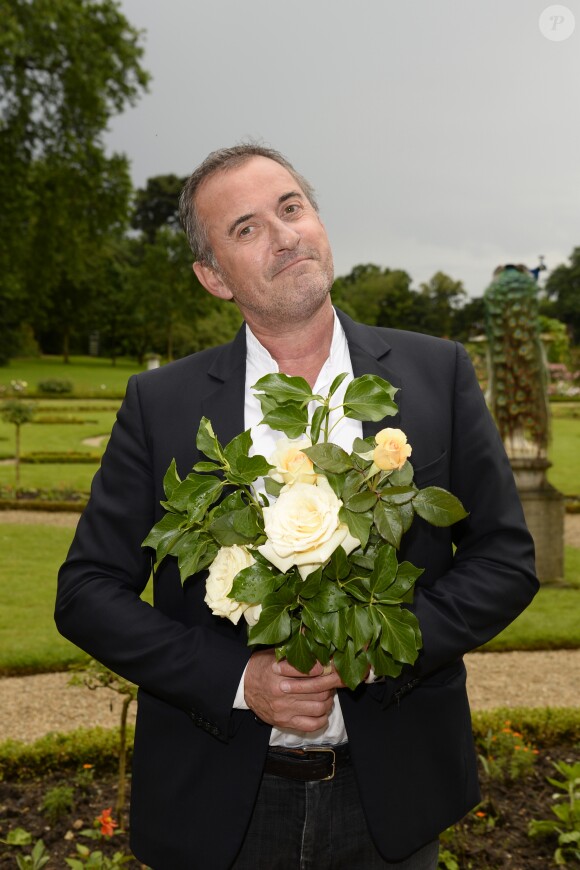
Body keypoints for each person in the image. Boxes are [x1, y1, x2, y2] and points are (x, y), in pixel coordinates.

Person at [55, 144, 538, 870]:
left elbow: (506, 559)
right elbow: (87, 592)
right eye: (246, 228)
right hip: (219, 810)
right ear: (213, 276)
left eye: (291, 208)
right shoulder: (163, 405)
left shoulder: (438, 374)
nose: (284, 235)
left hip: (394, 806)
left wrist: (380, 651)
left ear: (319, 222)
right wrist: (239, 682)